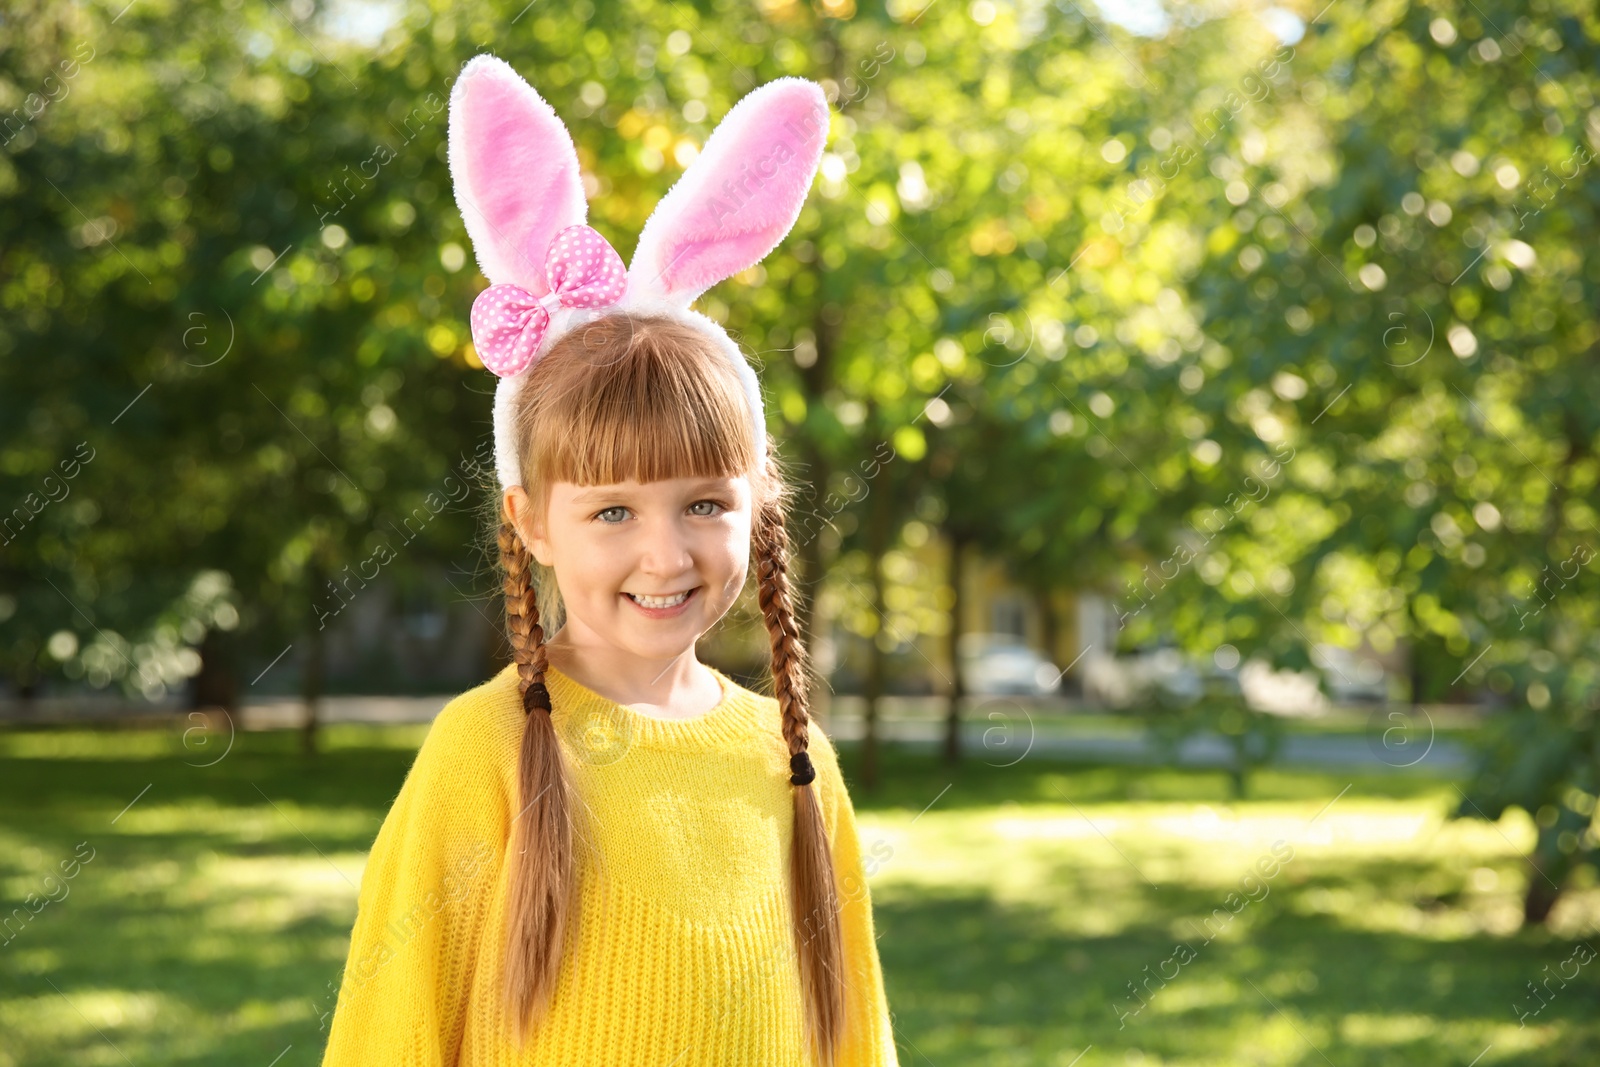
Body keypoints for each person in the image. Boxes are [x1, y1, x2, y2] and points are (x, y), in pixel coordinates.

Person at [319, 54, 899, 1067]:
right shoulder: (481, 752)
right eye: (614, 509)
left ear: (757, 503)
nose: (664, 552)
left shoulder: (793, 754)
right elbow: (389, 1033)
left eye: (705, 502)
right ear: (532, 521)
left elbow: (857, 1039)